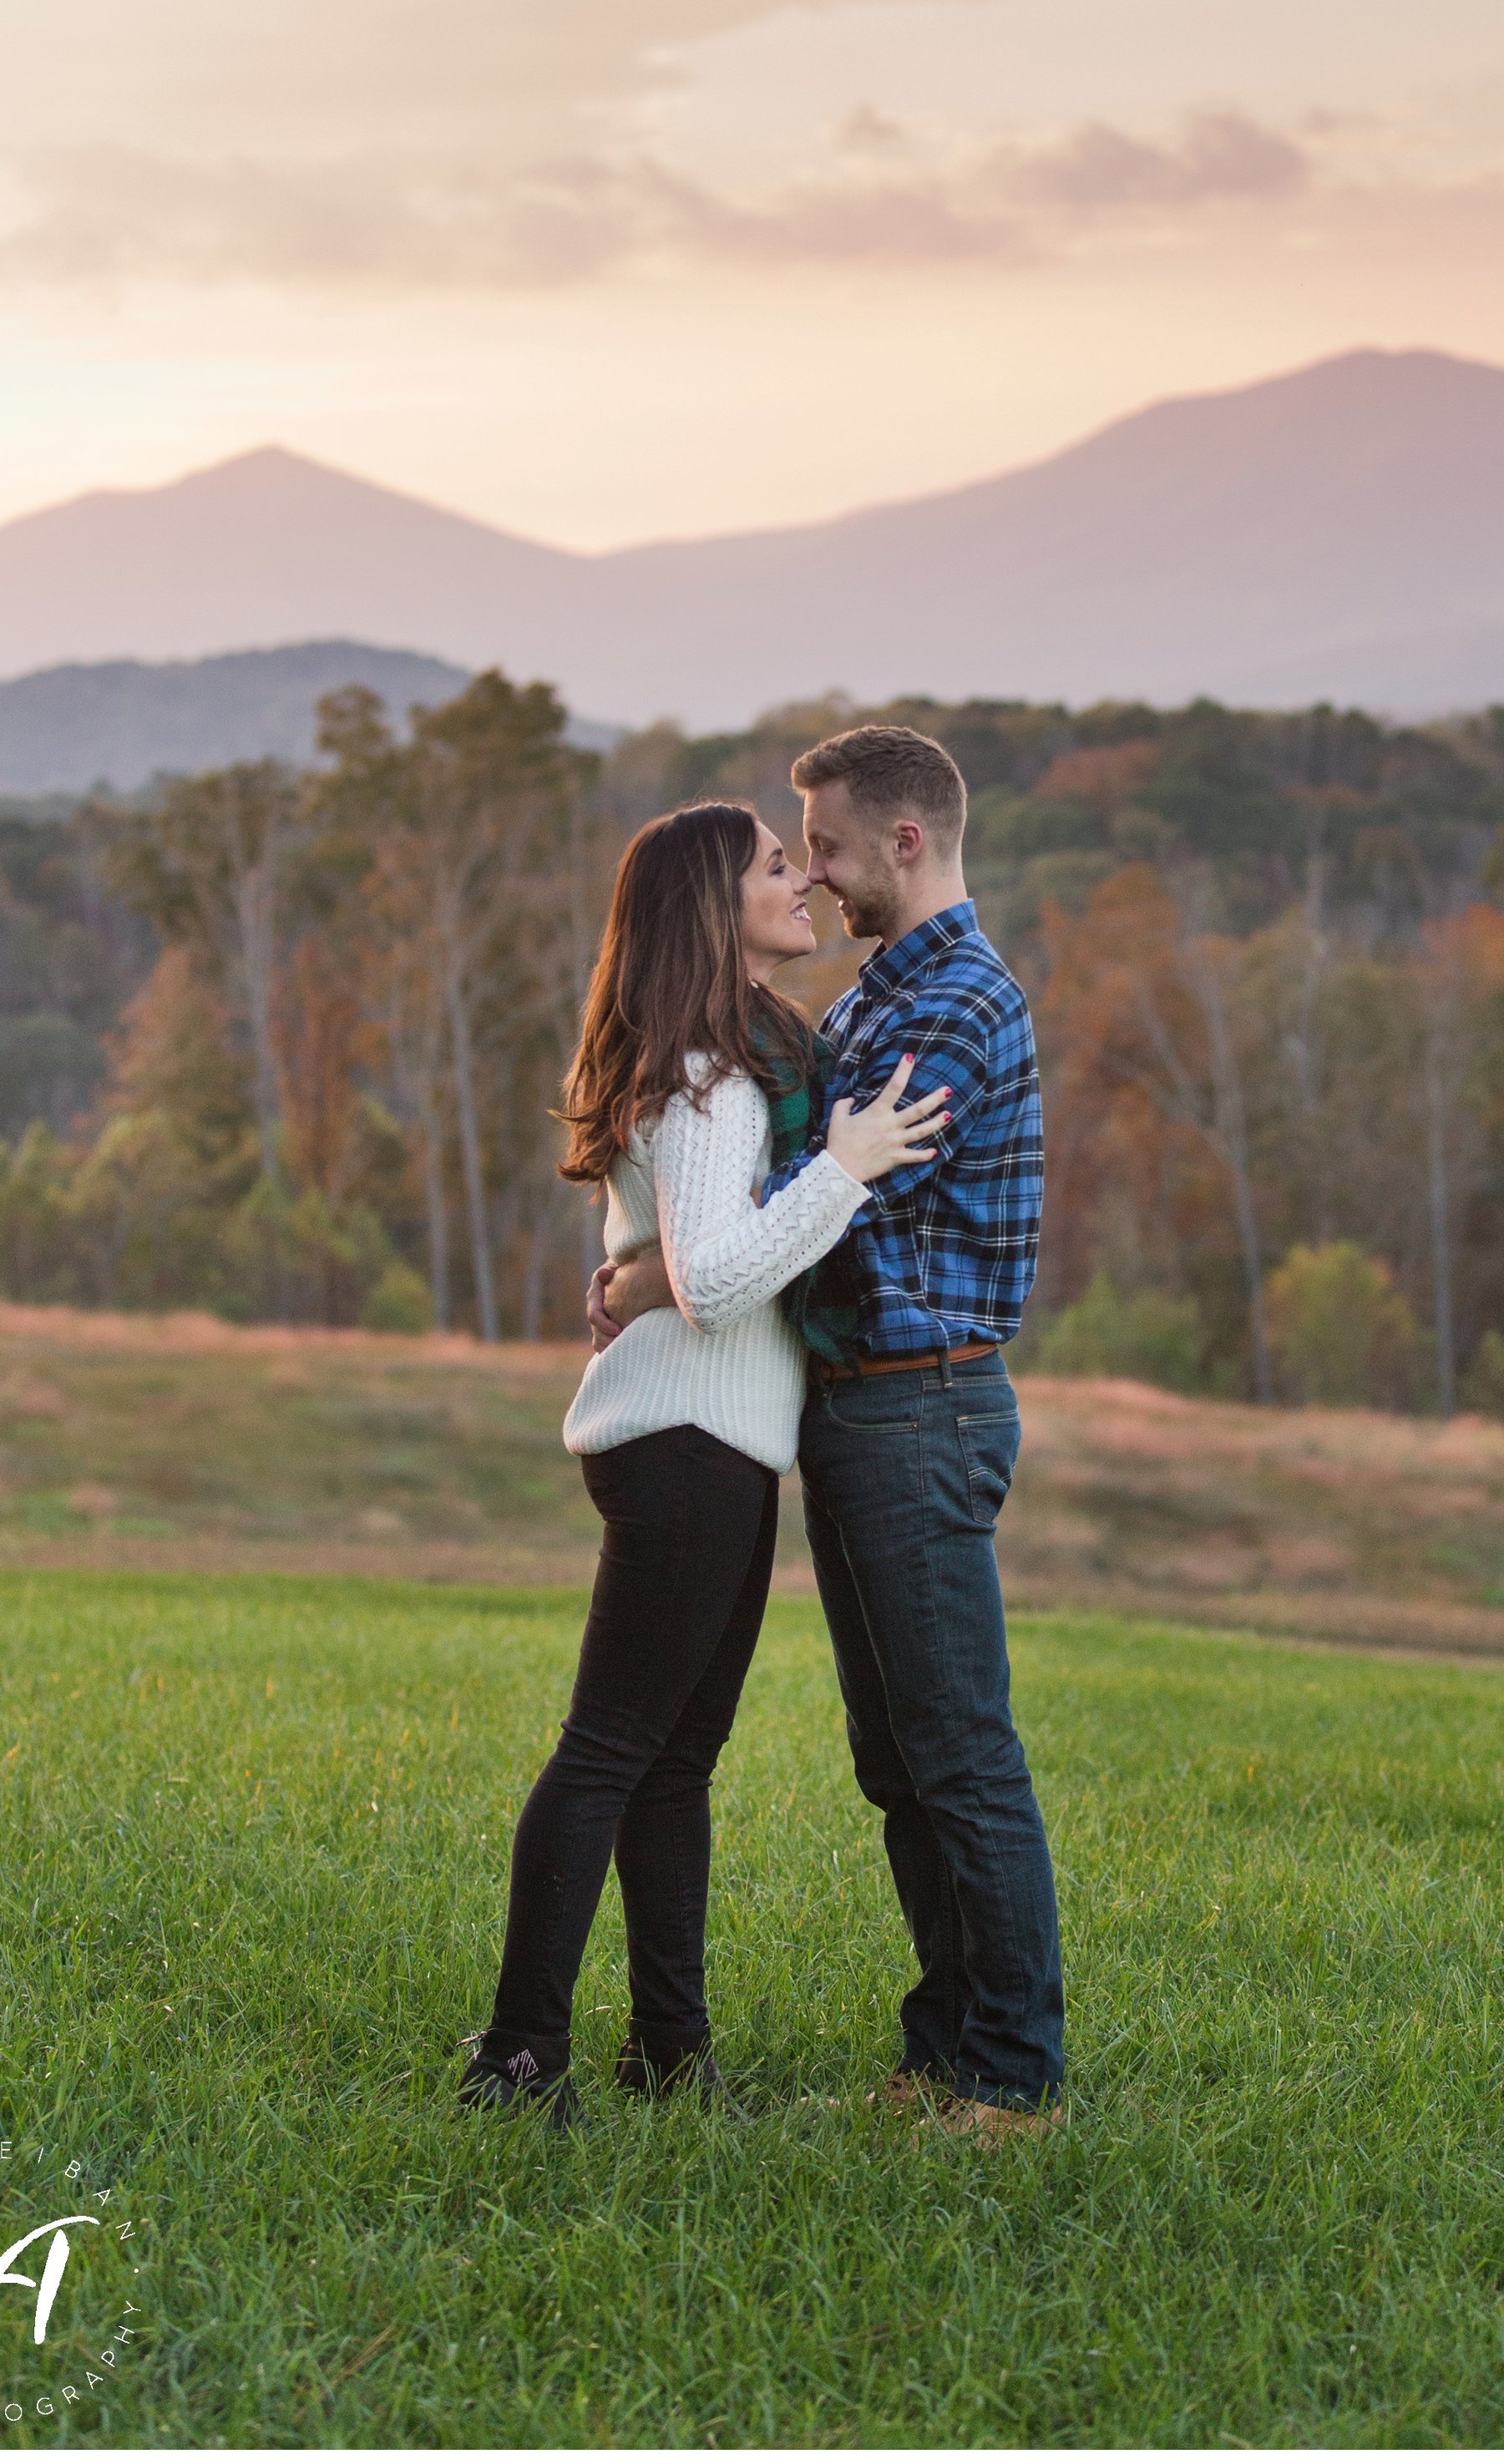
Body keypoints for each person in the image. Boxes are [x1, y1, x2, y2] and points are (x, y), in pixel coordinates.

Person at [593, 724, 1064, 2137]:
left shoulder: (953, 1006)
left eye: (831, 845)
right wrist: (669, 1244)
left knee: (959, 1749)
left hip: (921, 1407)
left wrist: (658, 1262)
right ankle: (946, 2044)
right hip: (858, 1414)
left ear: (906, 843)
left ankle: (1013, 2072)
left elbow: (804, 1200)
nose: (818, 874)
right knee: (898, 1755)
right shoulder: (874, 997)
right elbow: (749, 1191)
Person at [462, 797, 947, 2128]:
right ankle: (516, 2059)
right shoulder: (707, 1076)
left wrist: (640, 1271)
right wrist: (847, 1167)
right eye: (775, 867)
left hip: (712, 1440)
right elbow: (720, 1276)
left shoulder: (720, 1061)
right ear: (711, 909)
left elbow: (676, 1261)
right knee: (611, 1749)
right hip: (683, 1442)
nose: (801, 882)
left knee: (673, 1760)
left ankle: (670, 2053)